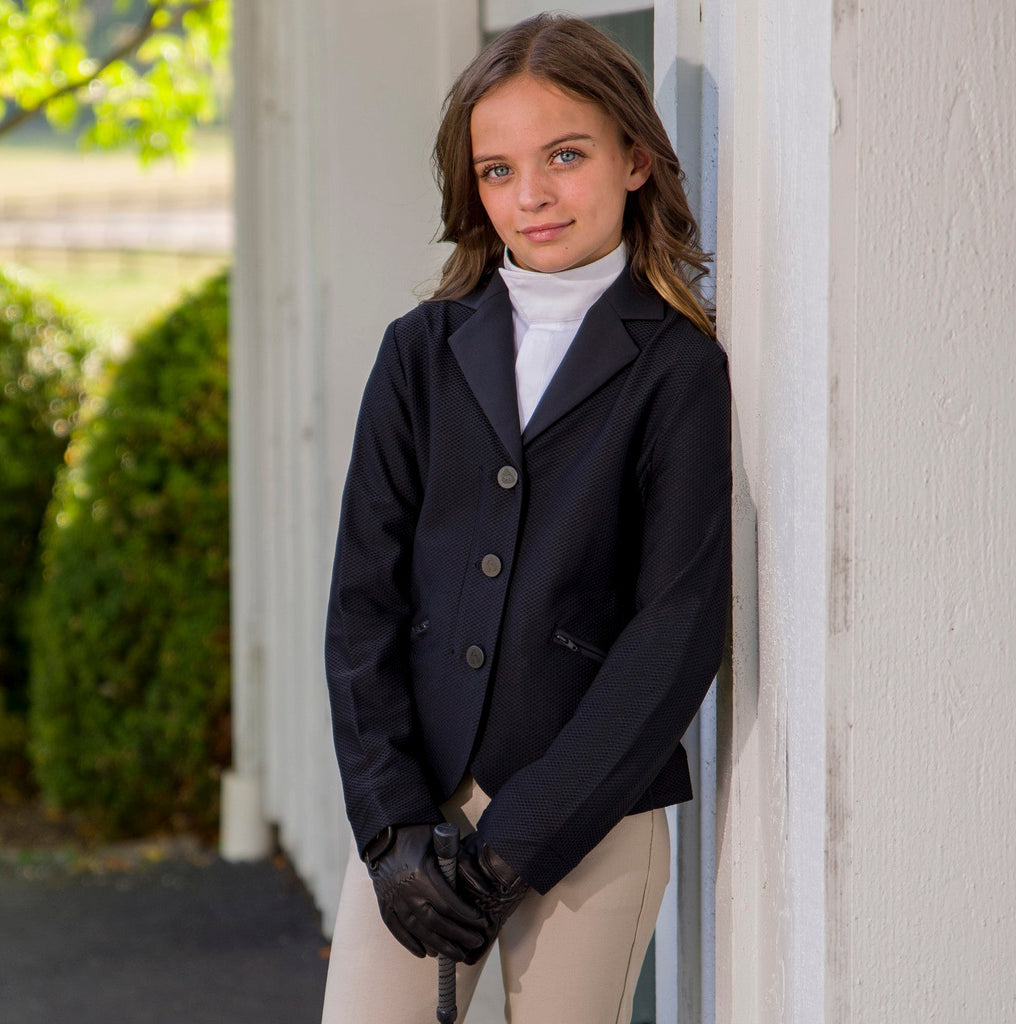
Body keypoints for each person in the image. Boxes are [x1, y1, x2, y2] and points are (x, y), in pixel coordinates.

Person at [321, 13, 730, 1024]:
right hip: (413, 811)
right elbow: (361, 603)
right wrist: (390, 831)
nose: (533, 194)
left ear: (634, 157)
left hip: (590, 816)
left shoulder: (679, 368)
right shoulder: (417, 353)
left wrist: (512, 851)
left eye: (564, 155)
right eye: (498, 171)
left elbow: (673, 632)